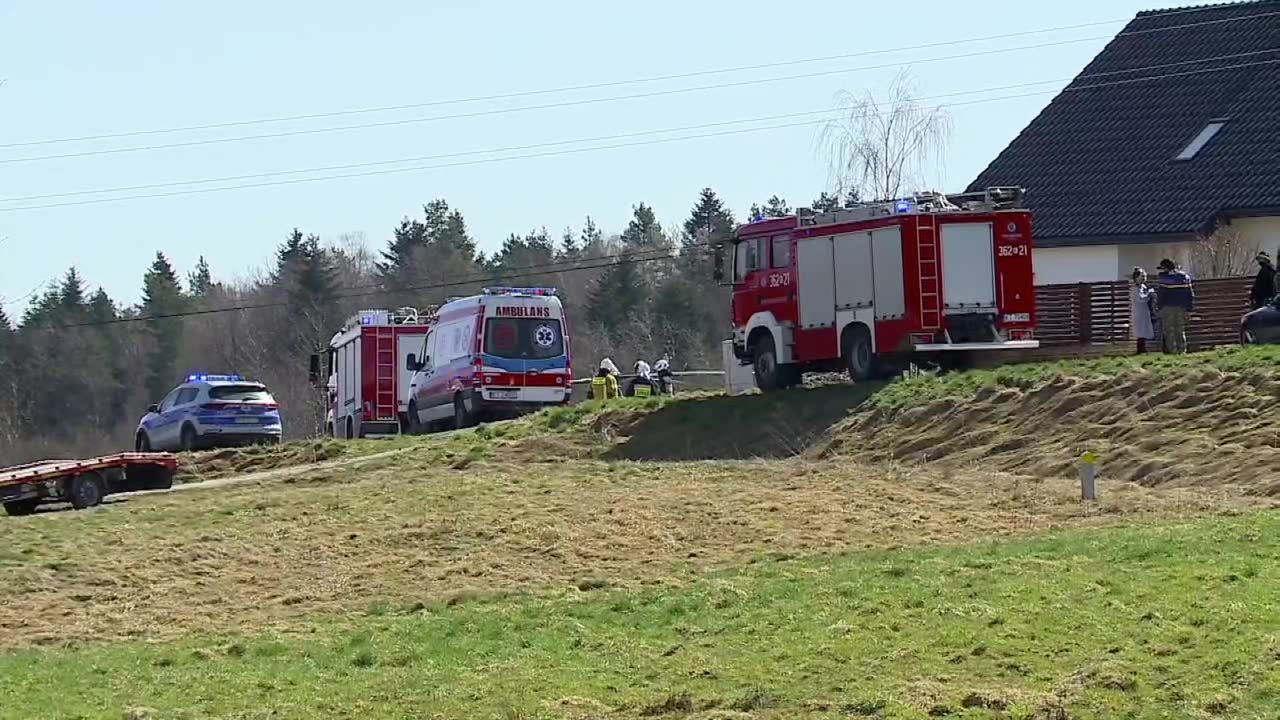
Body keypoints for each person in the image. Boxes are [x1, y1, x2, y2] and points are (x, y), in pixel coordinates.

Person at [1155, 258, 1194, 354]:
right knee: (1180, 330)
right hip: (1181, 307)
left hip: (1168, 307)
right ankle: (1182, 350)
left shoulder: (1165, 279)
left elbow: (1161, 295)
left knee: (1169, 330)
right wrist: (1189, 309)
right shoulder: (1185, 277)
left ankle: (1173, 351)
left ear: (1166, 268)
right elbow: (1190, 294)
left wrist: (1158, 307)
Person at [1129, 267, 1156, 354]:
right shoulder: (1135, 289)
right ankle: (1140, 349)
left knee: (1144, 331)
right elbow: (1141, 299)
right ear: (1136, 278)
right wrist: (1149, 294)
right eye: (1142, 276)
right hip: (1139, 313)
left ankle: (1143, 348)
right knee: (1140, 332)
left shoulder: (1143, 287)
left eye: (1144, 276)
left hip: (1144, 312)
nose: (1144, 278)